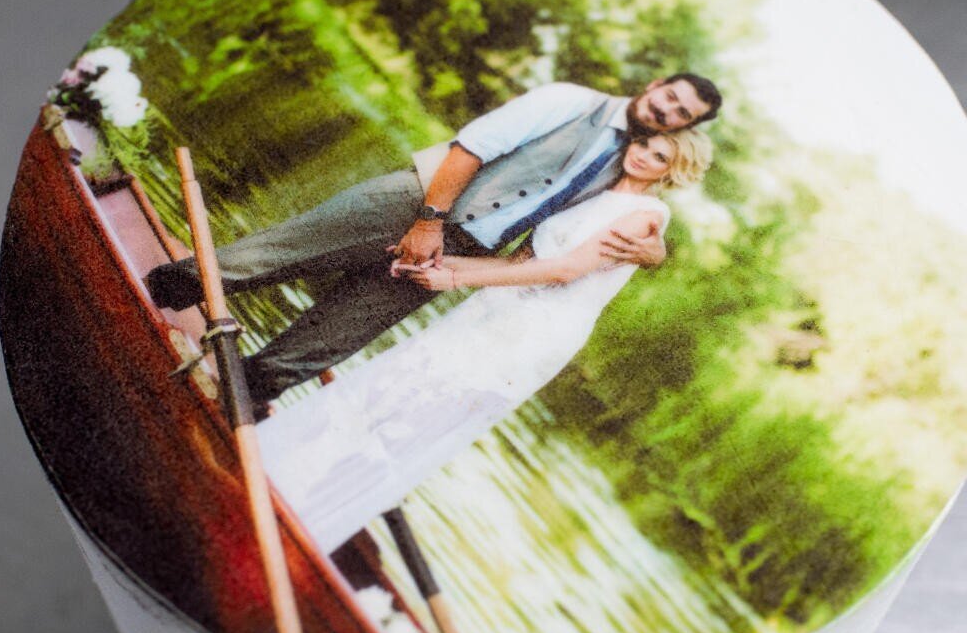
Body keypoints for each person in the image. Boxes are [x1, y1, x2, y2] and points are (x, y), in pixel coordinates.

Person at [253, 128, 713, 553]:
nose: (642, 155)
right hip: (496, 308)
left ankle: (313, 518)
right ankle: (288, 478)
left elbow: (565, 270)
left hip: (535, 331)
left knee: (422, 415)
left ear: (673, 172)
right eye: (645, 143)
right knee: (395, 385)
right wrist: (439, 268)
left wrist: (453, 280)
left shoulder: (646, 216)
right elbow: (520, 265)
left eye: (659, 156)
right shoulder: (591, 192)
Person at [145, 74, 722, 405]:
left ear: (680, 127)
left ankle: (228, 398)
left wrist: (656, 250)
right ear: (654, 86)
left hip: (463, 252)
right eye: (670, 96)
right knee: (265, 259)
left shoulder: (628, 168)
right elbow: (472, 147)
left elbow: (605, 229)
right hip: (416, 201)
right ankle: (150, 298)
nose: (667, 109)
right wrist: (427, 220)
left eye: (680, 114)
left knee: (336, 336)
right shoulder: (572, 101)